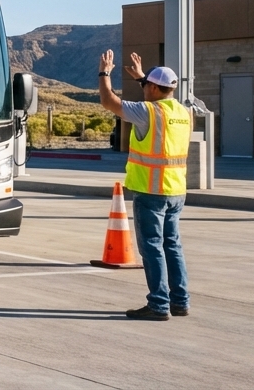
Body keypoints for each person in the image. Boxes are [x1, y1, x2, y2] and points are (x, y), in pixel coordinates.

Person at [97, 50, 192, 321]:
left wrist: (105, 73)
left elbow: (109, 101)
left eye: (146, 85)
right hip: (176, 191)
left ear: (152, 87)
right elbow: (155, 95)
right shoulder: (183, 112)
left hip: (151, 190)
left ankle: (159, 305)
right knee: (172, 245)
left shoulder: (147, 112)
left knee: (151, 247)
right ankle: (180, 301)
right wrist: (142, 78)